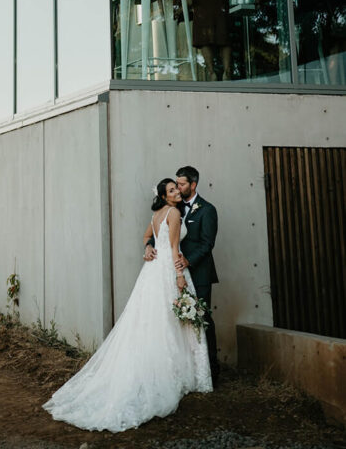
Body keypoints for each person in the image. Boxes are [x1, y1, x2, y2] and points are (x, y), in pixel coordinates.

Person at [43, 178, 211, 433]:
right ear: (165, 196)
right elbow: (175, 247)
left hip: (151, 271)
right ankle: (174, 376)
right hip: (167, 269)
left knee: (151, 320)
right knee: (171, 320)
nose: (177, 192)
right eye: (172, 190)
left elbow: (147, 237)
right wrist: (179, 275)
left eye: (177, 188)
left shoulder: (157, 214)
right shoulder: (174, 213)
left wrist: (148, 249)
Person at [173, 166, 220, 383]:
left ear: (193, 185)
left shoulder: (207, 210)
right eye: (177, 183)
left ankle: (211, 371)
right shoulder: (174, 207)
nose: (178, 187)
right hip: (178, 274)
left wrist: (188, 260)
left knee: (202, 318)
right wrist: (149, 245)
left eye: (182, 184)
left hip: (199, 273)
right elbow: (163, 232)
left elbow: (207, 243)